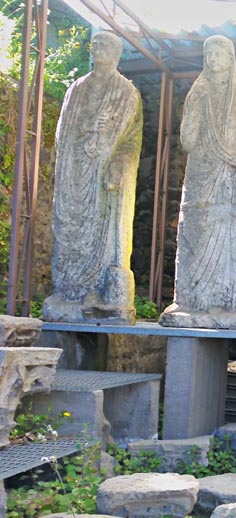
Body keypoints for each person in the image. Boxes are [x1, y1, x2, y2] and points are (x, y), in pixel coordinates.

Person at [160, 35, 236, 330]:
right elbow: (187, 141)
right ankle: (190, 299)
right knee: (196, 232)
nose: (214, 58)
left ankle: (226, 301)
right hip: (200, 175)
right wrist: (193, 106)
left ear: (230, 58)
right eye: (209, 54)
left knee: (226, 237)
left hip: (227, 175)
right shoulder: (198, 92)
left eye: (219, 53)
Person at [44, 31, 142, 324]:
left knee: (99, 230)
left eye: (105, 45)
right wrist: (88, 128)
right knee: (70, 227)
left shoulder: (126, 92)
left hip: (102, 175)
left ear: (117, 53)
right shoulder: (77, 89)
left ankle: (95, 291)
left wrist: (120, 165)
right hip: (74, 171)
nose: (98, 49)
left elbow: (131, 141)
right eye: (95, 44)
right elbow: (64, 131)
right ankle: (67, 290)